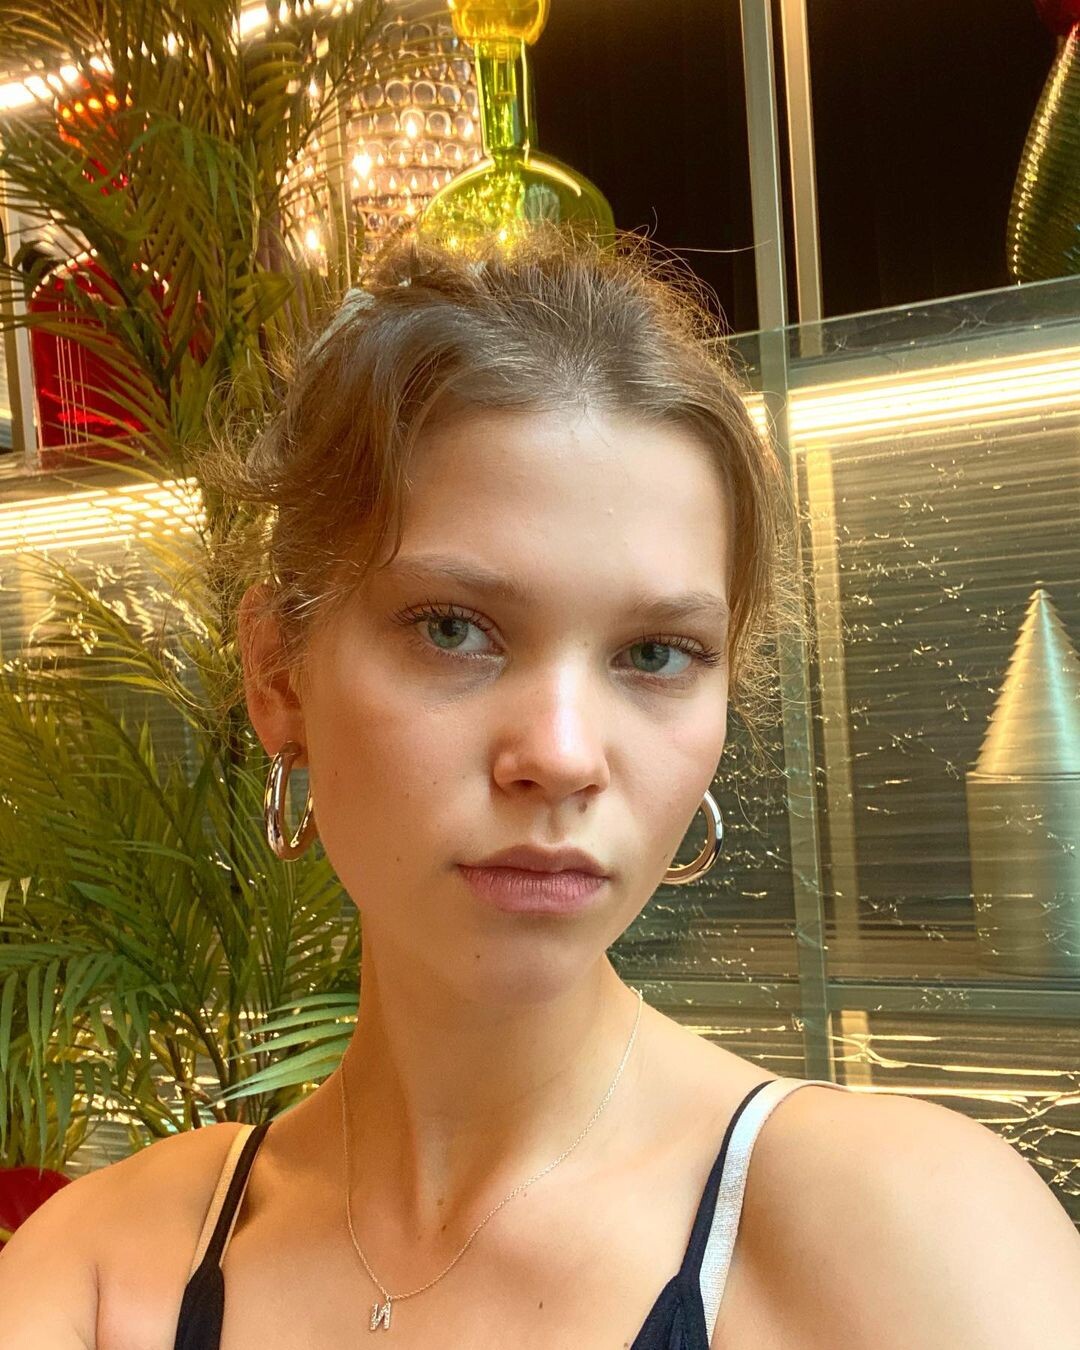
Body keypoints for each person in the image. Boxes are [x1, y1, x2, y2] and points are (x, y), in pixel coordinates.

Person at [3, 224, 1080, 1350]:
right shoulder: (105, 1280)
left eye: (655, 654)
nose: (563, 756)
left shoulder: (913, 1249)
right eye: (454, 630)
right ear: (278, 674)